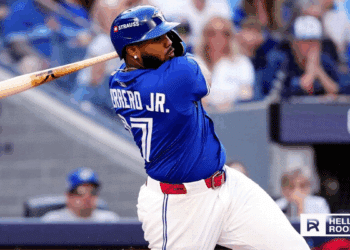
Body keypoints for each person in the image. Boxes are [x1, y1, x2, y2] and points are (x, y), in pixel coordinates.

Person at [108, 5, 309, 249]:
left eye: (166, 35)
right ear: (134, 51)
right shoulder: (177, 75)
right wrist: (180, 53)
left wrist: (148, 51)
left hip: (228, 187)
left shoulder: (118, 81)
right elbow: (206, 76)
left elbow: (138, 68)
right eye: (157, 39)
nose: (169, 41)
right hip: (181, 204)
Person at [256, 15, 342, 98]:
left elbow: (337, 90)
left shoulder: (324, 60)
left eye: (315, 42)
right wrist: (309, 76)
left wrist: (319, 71)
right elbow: (272, 93)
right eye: (306, 42)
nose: (312, 47)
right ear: (294, 43)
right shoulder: (280, 60)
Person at [196, 16, 255, 112]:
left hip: (234, 114)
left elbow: (247, 93)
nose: (218, 38)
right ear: (205, 36)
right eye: (212, 33)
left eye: (224, 33)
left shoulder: (242, 63)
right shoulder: (194, 62)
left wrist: (231, 104)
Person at [41, 167, 120, 222]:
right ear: (68, 196)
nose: (87, 197)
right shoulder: (53, 221)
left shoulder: (109, 220)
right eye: (81, 192)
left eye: (92, 192)